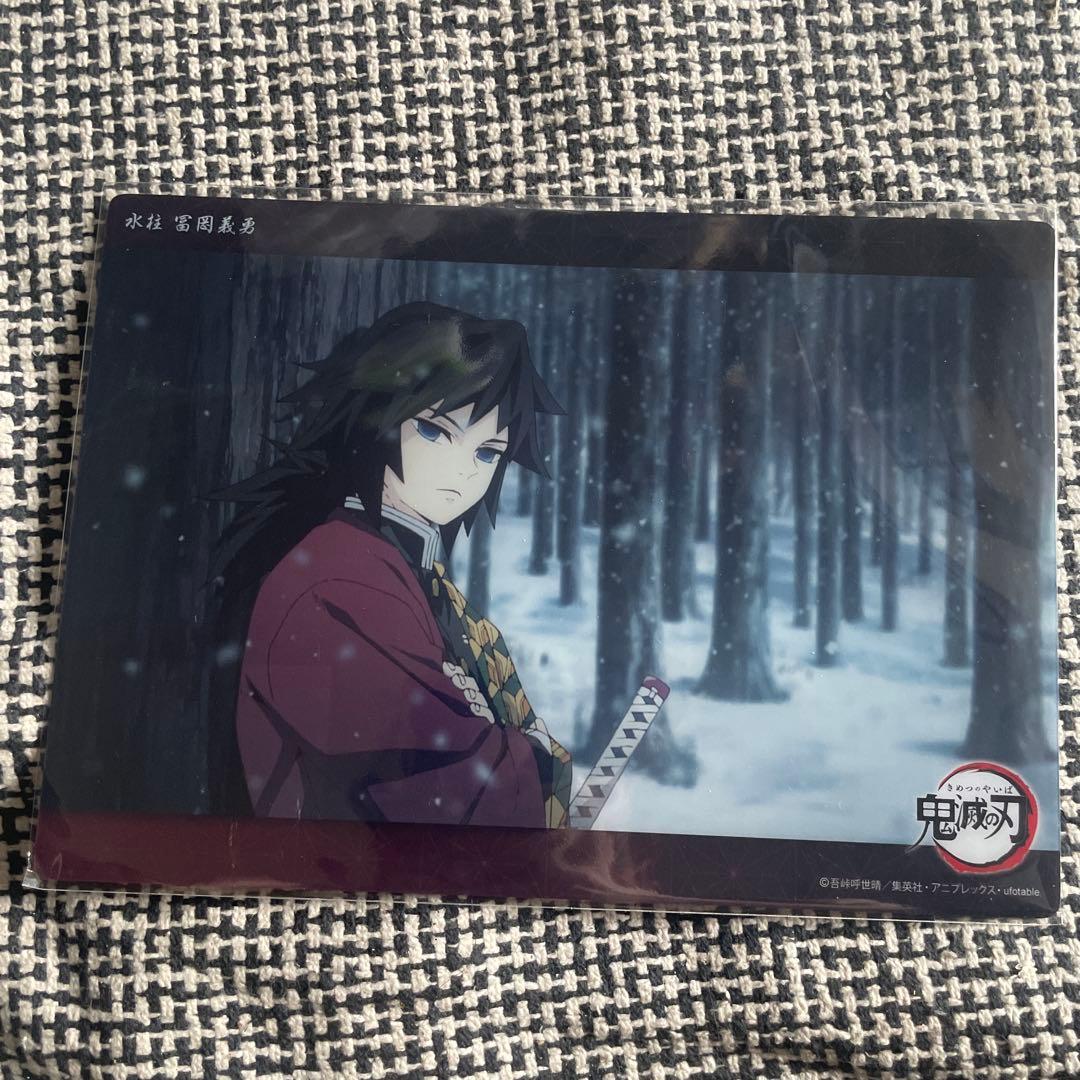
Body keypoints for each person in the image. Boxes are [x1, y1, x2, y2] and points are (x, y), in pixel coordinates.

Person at [211, 301, 572, 829]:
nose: (462, 472)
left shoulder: (399, 567)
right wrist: (532, 764)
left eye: (487, 453)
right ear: (376, 417)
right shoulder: (340, 575)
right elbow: (439, 780)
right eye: (434, 432)